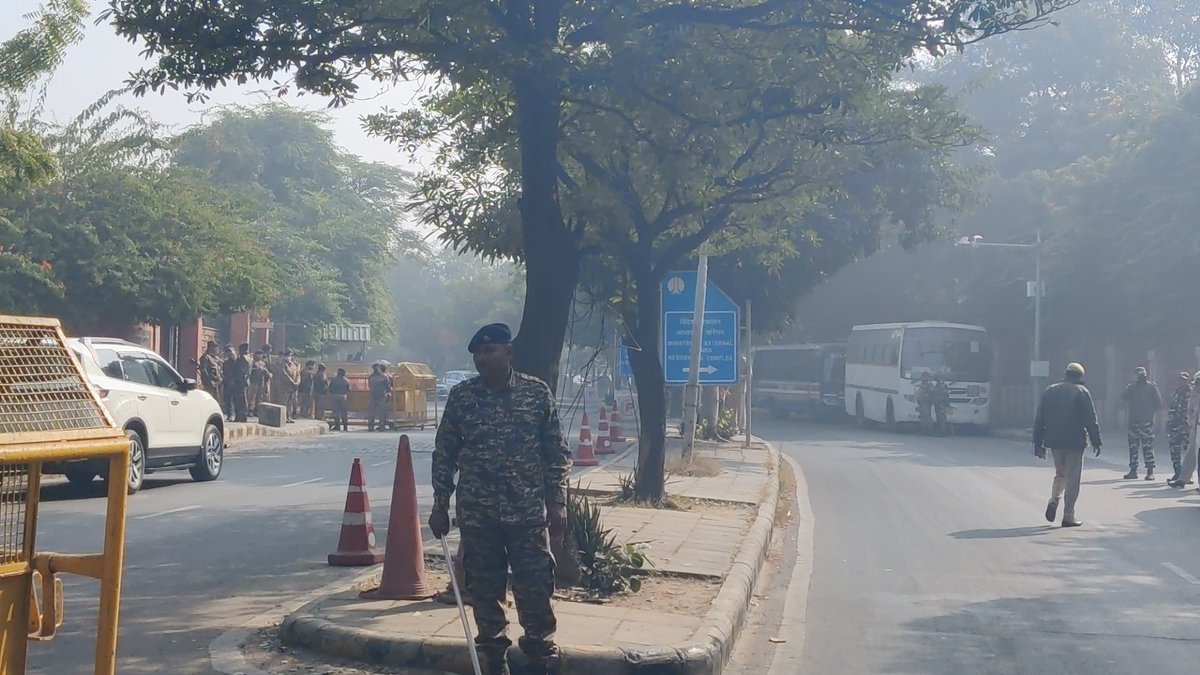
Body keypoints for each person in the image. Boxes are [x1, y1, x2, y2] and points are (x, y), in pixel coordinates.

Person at [430, 323, 571, 675]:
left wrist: (557, 500)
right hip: (478, 515)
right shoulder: (462, 397)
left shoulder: (535, 393)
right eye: (478, 353)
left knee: (535, 583)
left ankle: (540, 652)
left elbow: (556, 451)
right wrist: (439, 503)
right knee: (485, 587)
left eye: (490, 351)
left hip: (525, 512)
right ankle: (493, 659)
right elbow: (444, 453)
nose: (482, 358)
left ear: (508, 353)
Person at [1033, 362, 1102, 528]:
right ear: (1079, 377)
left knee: (1060, 473)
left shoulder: (1049, 390)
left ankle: (1054, 499)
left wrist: (1038, 443)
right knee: (1073, 478)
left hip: (1054, 441)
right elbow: (1090, 419)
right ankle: (1068, 515)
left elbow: (1039, 418)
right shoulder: (1081, 391)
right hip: (1074, 441)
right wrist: (1096, 440)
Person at [1121, 366, 1162, 480]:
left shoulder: (1151, 387)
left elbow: (1158, 403)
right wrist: (1130, 385)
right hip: (1134, 421)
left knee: (1147, 447)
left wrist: (1149, 412)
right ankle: (1133, 470)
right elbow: (1124, 397)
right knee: (1133, 447)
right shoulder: (1133, 387)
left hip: (1146, 422)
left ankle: (1150, 471)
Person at [1168, 371, 1200, 488]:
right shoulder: (1191, 393)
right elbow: (1190, 410)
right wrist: (1190, 422)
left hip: (1193, 427)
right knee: (1190, 453)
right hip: (1193, 427)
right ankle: (1183, 478)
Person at [1166, 371, 1192, 483]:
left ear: (1188, 380)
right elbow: (1171, 409)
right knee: (1174, 450)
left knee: (1188, 453)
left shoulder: (1192, 393)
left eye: (1184, 379)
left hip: (1187, 427)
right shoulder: (1175, 393)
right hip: (1175, 426)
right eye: (1181, 379)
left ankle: (1187, 476)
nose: (1182, 382)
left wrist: (1190, 424)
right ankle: (1177, 472)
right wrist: (1168, 423)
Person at [224, 344, 252, 423]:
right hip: (245, 381)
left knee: (238, 401)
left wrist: (234, 381)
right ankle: (243, 416)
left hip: (239, 382)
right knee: (243, 400)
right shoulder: (250, 357)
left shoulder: (242, 359)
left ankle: (239, 417)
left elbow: (240, 372)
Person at [272, 350, 301, 423]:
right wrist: (292, 382)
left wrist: (297, 382)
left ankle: (289, 417)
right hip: (284, 387)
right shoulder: (282, 365)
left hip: (292, 388)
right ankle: (283, 418)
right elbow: (284, 375)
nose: (288, 357)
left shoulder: (294, 365)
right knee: (283, 403)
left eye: (289, 356)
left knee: (290, 403)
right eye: (287, 356)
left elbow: (298, 375)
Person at [367, 363, 393, 431]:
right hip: (381, 395)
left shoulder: (371, 377)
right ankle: (381, 426)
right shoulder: (384, 377)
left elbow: (369, 386)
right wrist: (389, 394)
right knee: (381, 412)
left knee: (372, 412)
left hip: (373, 395)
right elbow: (388, 387)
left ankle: (371, 426)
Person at [220, 346, 239, 422]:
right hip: (227, 382)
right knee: (227, 399)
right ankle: (229, 414)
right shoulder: (225, 362)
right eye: (228, 352)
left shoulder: (237, 362)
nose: (229, 353)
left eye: (231, 351)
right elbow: (223, 371)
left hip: (234, 383)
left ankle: (235, 415)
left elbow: (238, 372)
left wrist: (234, 380)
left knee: (235, 400)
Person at [249, 351, 271, 416]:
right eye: (258, 355)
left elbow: (267, 371)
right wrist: (257, 369)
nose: (260, 356)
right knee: (252, 396)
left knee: (259, 396)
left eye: (261, 355)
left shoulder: (263, 363)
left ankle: (257, 410)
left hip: (261, 381)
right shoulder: (252, 362)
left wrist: (266, 371)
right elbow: (249, 370)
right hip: (253, 380)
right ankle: (250, 410)